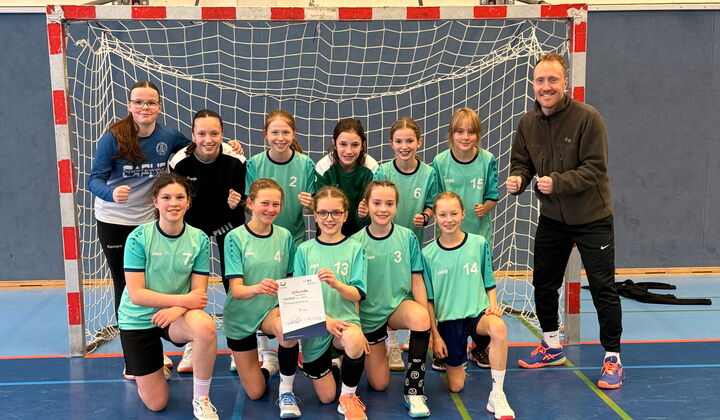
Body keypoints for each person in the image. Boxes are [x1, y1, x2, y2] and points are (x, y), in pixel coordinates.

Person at [88, 81, 241, 376]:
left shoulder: (168, 136)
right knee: (125, 287)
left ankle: (168, 345)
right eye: (138, 102)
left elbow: (200, 143)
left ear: (159, 107)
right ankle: (137, 358)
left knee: (154, 286)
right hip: (115, 219)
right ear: (129, 105)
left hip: (148, 219)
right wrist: (111, 193)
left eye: (151, 102)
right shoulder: (113, 137)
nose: (144, 107)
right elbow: (94, 178)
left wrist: (229, 145)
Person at [507, 52, 623, 389]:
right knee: (543, 283)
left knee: (603, 287)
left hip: (592, 217)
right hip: (553, 218)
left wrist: (557, 182)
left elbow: (595, 168)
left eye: (552, 80)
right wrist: (519, 178)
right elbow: (522, 162)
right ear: (533, 84)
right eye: (540, 80)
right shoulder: (528, 123)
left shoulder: (588, 118)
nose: (546, 87)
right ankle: (551, 345)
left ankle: (613, 358)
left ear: (565, 83)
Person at [119, 173, 219, 420]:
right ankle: (153, 368)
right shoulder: (138, 238)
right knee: (157, 404)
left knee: (205, 326)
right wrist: (182, 302)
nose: (173, 203)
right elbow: (137, 295)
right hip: (138, 319)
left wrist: (177, 309)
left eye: (179, 197)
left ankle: (202, 399)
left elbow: (198, 293)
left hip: (175, 316)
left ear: (188, 202)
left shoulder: (198, 239)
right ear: (155, 201)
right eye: (166, 197)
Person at [422, 192, 514, 420]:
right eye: (443, 214)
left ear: (463, 214)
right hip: (449, 321)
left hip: (478, 315)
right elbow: (429, 301)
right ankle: (459, 357)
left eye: (454, 213)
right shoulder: (428, 254)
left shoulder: (478, 243)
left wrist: (493, 306)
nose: (449, 219)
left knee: (499, 328)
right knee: (456, 386)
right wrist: (435, 336)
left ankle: (497, 394)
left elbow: (489, 281)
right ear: (435, 217)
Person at [169, 109, 246, 373]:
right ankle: (191, 344)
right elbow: (176, 198)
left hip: (229, 225)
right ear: (193, 135)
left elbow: (245, 199)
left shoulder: (236, 159)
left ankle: (238, 346)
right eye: (201, 133)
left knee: (233, 283)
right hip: (193, 228)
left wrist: (240, 202)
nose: (208, 139)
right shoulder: (180, 162)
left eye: (214, 133)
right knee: (190, 285)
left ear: (223, 134)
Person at [352, 181, 432, 418]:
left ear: (396, 206)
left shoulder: (407, 237)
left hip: (398, 306)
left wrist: (429, 325)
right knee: (379, 384)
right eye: (377, 203)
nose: (383, 209)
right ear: (367, 205)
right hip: (369, 316)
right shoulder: (356, 242)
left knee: (421, 318)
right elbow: (352, 292)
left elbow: (417, 281)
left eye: (389, 203)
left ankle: (414, 392)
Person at [222, 178, 301, 417]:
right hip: (241, 314)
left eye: (276, 204)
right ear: (250, 203)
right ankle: (270, 366)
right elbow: (237, 291)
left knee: (289, 329)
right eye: (264, 203)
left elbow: (290, 279)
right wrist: (258, 287)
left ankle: (286, 392)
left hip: (270, 309)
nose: (270, 209)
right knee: (255, 392)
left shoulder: (285, 236)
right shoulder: (234, 237)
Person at [291, 186, 370, 420]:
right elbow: (298, 299)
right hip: (316, 326)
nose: (329, 218)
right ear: (314, 216)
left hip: (344, 323)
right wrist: (325, 320)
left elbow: (357, 294)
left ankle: (348, 398)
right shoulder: (304, 250)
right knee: (326, 397)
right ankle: (334, 364)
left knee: (354, 338)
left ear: (345, 216)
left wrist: (337, 284)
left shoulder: (356, 248)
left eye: (336, 213)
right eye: (323, 213)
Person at [431, 107, 498, 370]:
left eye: (471, 132)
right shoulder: (440, 162)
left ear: (478, 135)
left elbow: (493, 195)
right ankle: (444, 346)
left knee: (479, 293)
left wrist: (486, 207)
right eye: (460, 131)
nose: (465, 136)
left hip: (477, 236)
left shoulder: (488, 159)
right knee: (446, 293)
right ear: (451, 134)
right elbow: (435, 199)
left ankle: (479, 347)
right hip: (447, 242)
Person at [372, 117, 439, 370]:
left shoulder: (428, 173)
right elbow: (375, 202)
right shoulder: (383, 172)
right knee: (387, 293)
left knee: (412, 288)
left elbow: (432, 204)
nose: (404, 146)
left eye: (409, 141)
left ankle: (414, 333)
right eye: (399, 141)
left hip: (412, 243)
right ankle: (391, 346)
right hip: (385, 244)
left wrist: (426, 216)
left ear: (419, 142)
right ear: (391, 144)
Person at [246, 110, 315, 247]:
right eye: (275, 132)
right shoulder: (254, 164)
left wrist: (310, 205)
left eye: (286, 132)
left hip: (294, 239)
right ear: (266, 134)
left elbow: (311, 209)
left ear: (294, 134)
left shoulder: (306, 164)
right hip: (260, 238)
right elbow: (248, 206)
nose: (280, 138)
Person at [315, 118, 376, 236]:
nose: (349, 151)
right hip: (330, 228)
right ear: (334, 144)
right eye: (343, 144)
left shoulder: (372, 168)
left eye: (355, 145)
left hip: (362, 231)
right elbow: (322, 210)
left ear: (362, 145)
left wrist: (363, 215)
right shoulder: (323, 167)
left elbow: (369, 216)